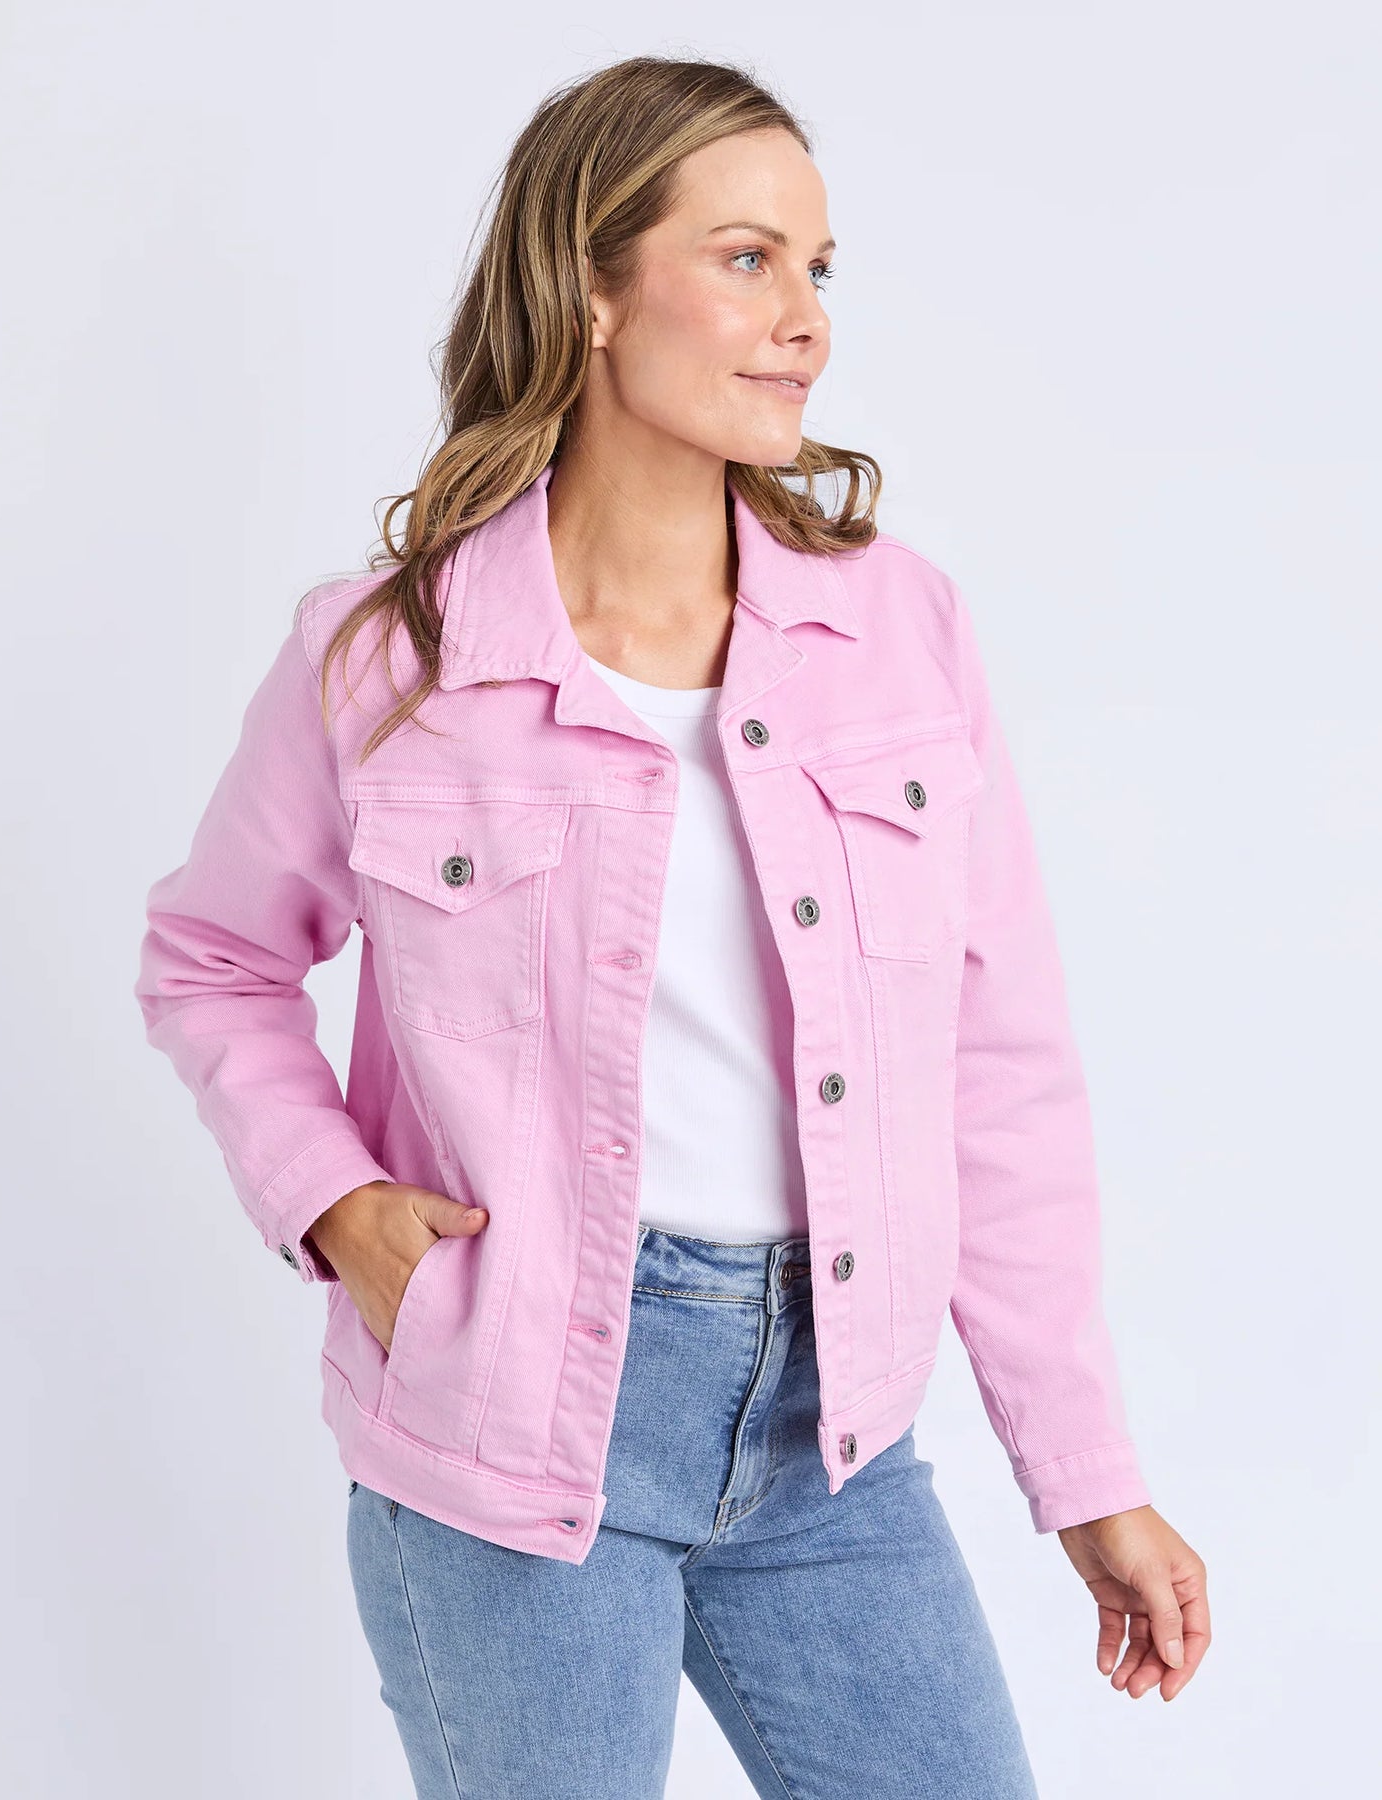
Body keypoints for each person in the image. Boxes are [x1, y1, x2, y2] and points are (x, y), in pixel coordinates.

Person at [135, 53, 1210, 1800]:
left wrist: (1085, 1474)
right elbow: (216, 959)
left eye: (819, 267)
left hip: (832, 1439)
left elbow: (996, 1071)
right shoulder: (388, 657)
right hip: (505, 1426)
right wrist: (332, 1201)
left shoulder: (900, 632)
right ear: (591, 287)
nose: (806, 319)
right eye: (746, 259)